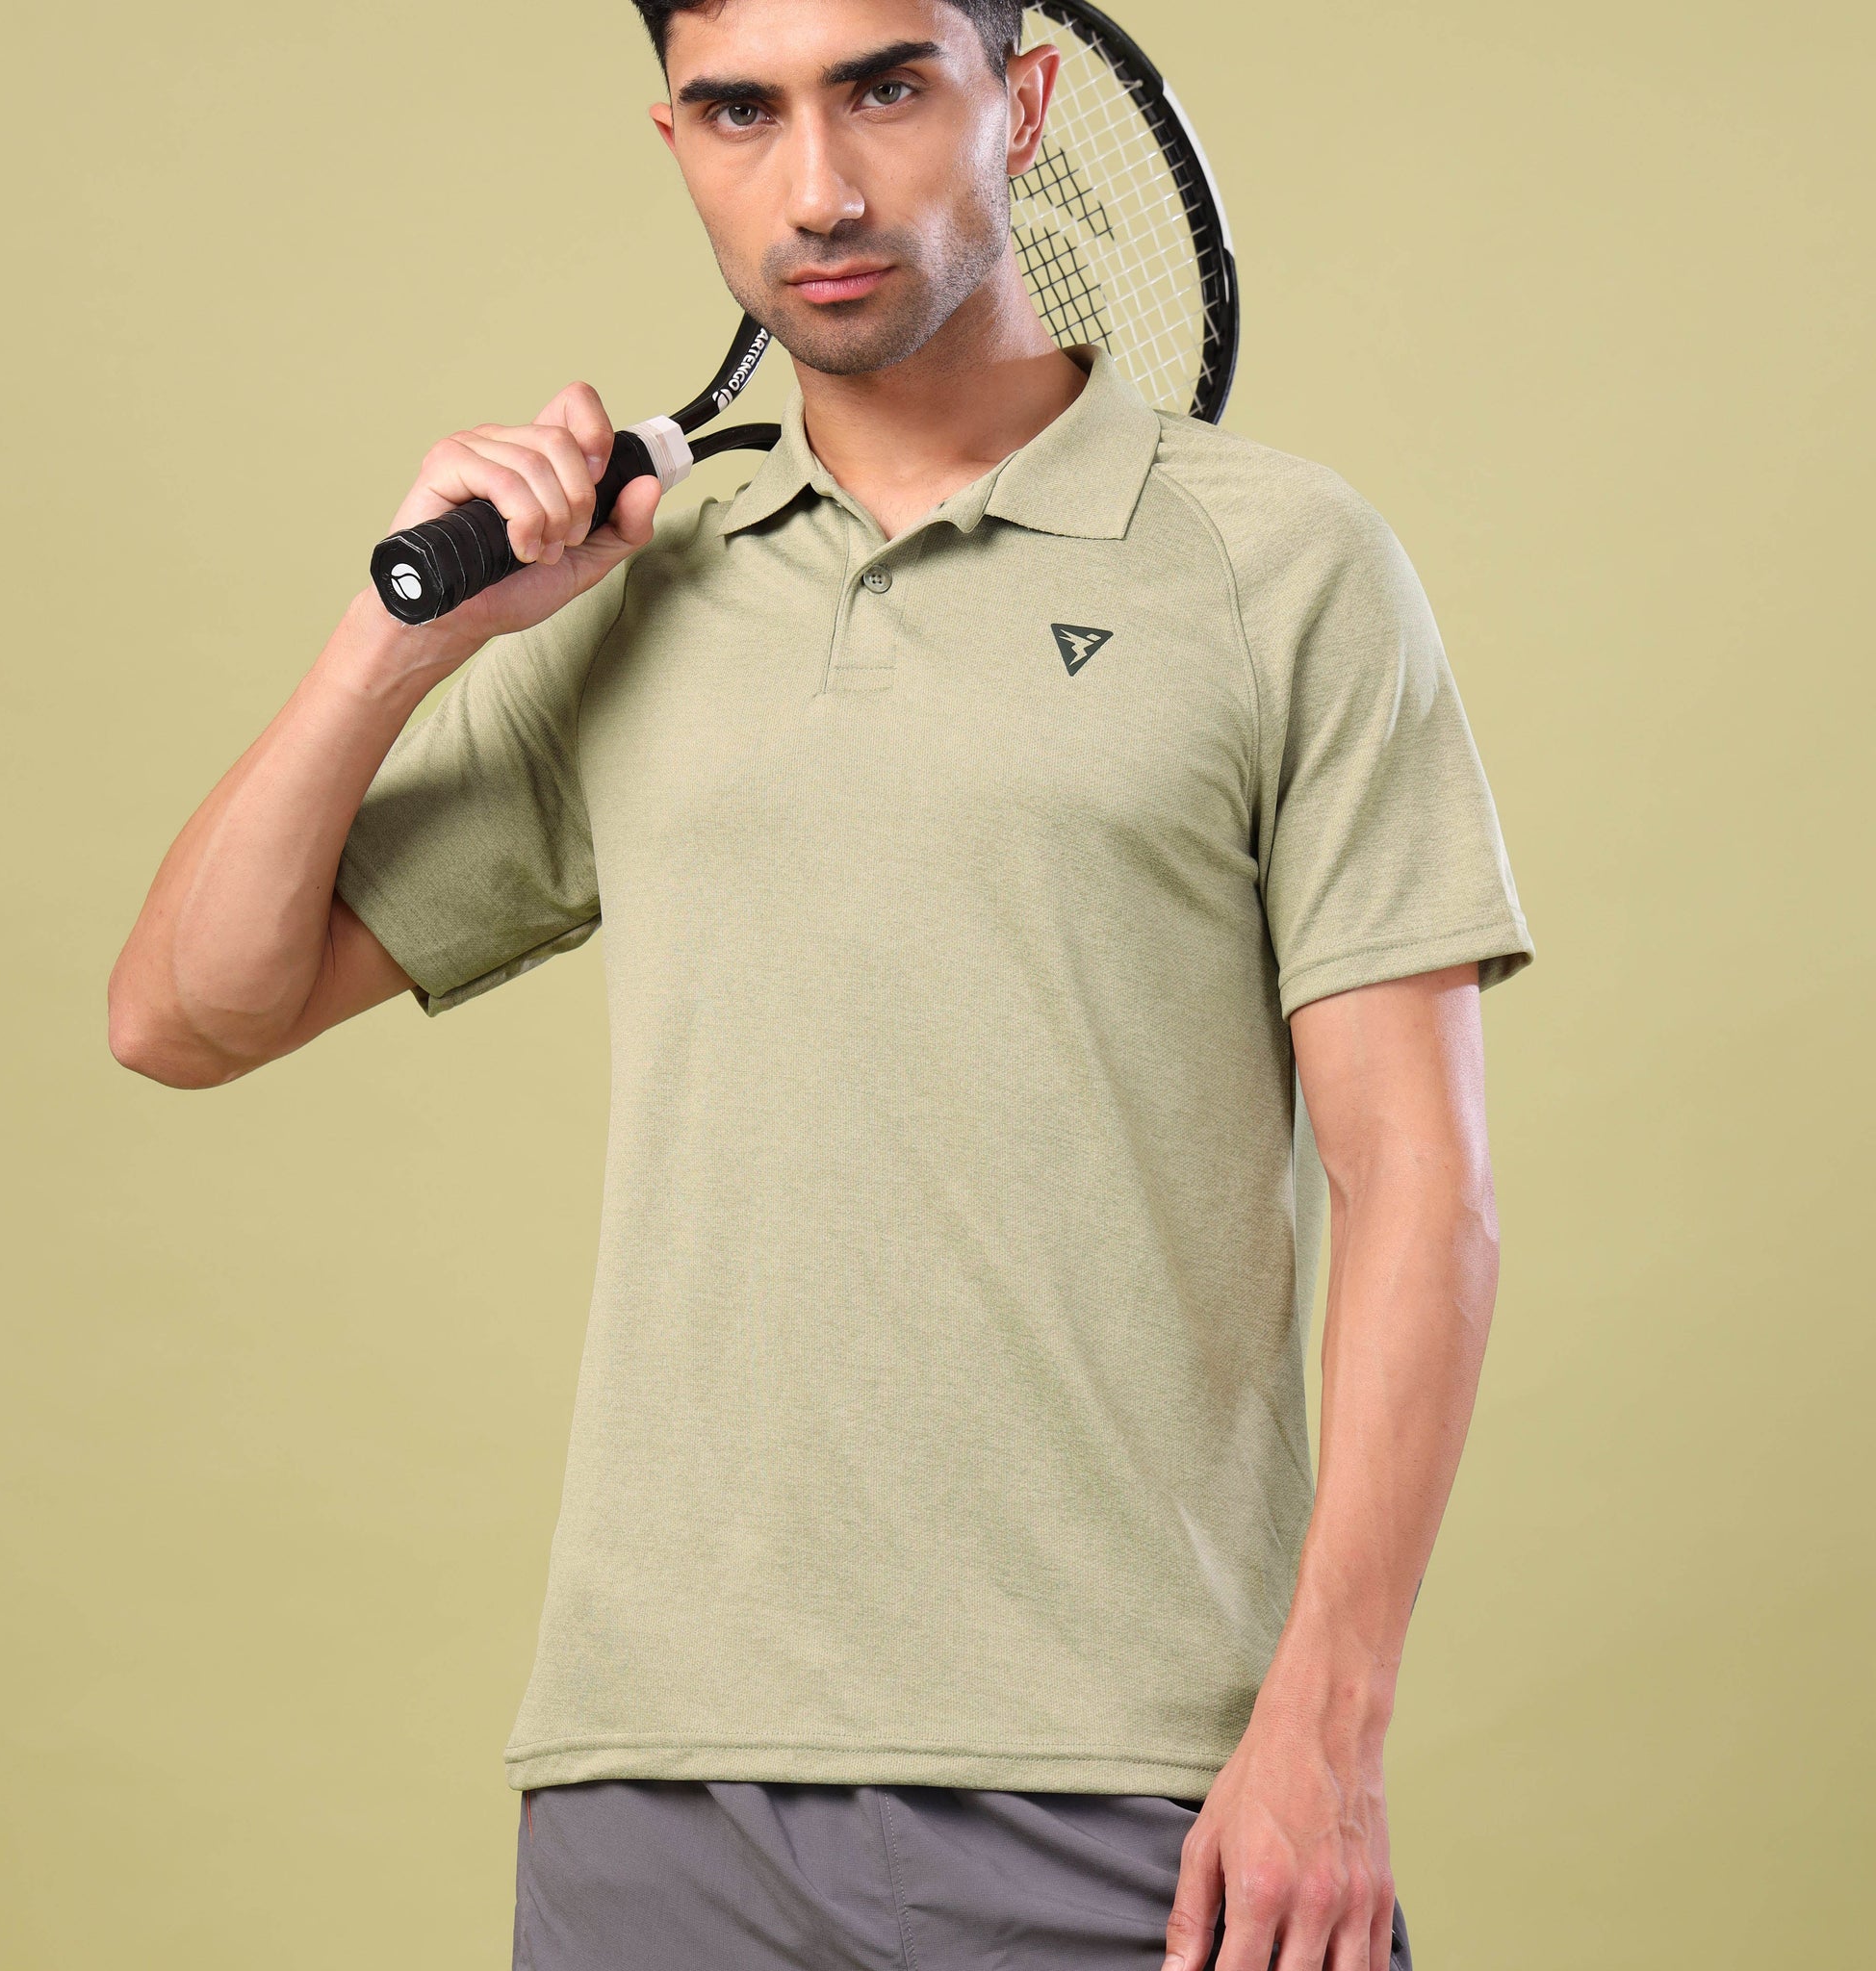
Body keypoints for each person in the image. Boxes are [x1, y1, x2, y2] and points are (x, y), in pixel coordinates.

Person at [109, 1, 1535, 1965]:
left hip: (1144, 1786)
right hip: (652, 1797)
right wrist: (393, 642)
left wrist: (1332, 1733)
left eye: (884, 87)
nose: (818, 187)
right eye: (737, 110)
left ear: (1021, 101)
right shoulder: (640, 597)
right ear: (673, 138)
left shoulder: (1282, 567)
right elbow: (186, 1013)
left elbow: (1417, 1187)